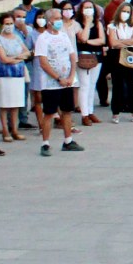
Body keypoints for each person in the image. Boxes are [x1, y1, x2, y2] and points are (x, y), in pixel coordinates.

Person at [30, 10, 83, 157]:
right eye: (56, 19)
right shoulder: (43, 39)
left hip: (67, 81)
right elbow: (43, 62)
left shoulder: (64, 36)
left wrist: (71, 75)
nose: (59, 21)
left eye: (60, 18)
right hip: (51, 83)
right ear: (49, 21)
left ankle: (68, 140)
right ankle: (45, 143)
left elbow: (72, 56)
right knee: (49, 113)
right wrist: (58, 78)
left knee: (67, 111)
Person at [107, 2, 133, 122]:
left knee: (131, 83)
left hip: (130, 54)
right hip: (116, 55)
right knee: (117, 83)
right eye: (124, 11)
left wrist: (121, 41)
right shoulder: (112, 26)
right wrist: (125, 42)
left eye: (128, 12)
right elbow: (113, 43)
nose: (125, 14)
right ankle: (116, 111)